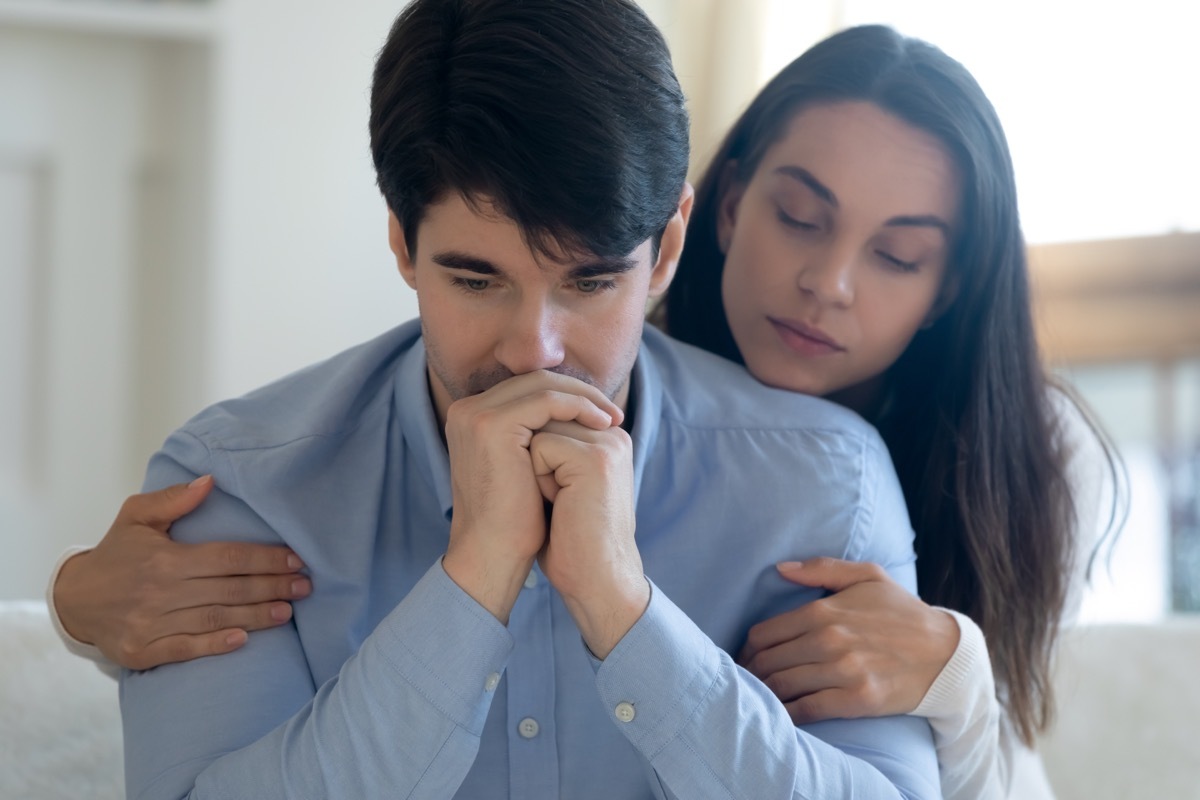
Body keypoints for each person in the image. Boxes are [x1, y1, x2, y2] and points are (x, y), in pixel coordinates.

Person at [81, 3, 941, 798]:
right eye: (475, 278)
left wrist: (623, 608)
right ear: (401, 241)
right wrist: (476, 575)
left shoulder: (826, 478)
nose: (536, 349)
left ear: (668, 250)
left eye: (593, 280)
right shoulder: (245, 487)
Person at [655, 24, 1122, 800]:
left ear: (947, 288)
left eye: (897, 255)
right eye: (801, 217)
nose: (829, 282)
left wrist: (956, 674)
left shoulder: (1039, 457)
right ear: (731, 204)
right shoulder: (625, 389)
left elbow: (1012, 770)